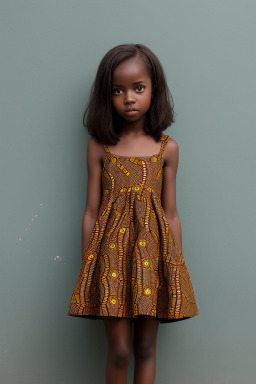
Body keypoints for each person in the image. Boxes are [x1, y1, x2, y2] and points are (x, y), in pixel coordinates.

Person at [67, 43, 199, 384]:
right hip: (108, 260)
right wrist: (89, 265)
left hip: (154, 259)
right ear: (106, 96)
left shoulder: (167, 149)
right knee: (120, 349)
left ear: (154, 91)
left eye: (138, 88)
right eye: (118, 90)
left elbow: (171, 213)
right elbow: (91, 211)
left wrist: (175, 266)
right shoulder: (99, 146)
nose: (129, 98)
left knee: (144, 347)